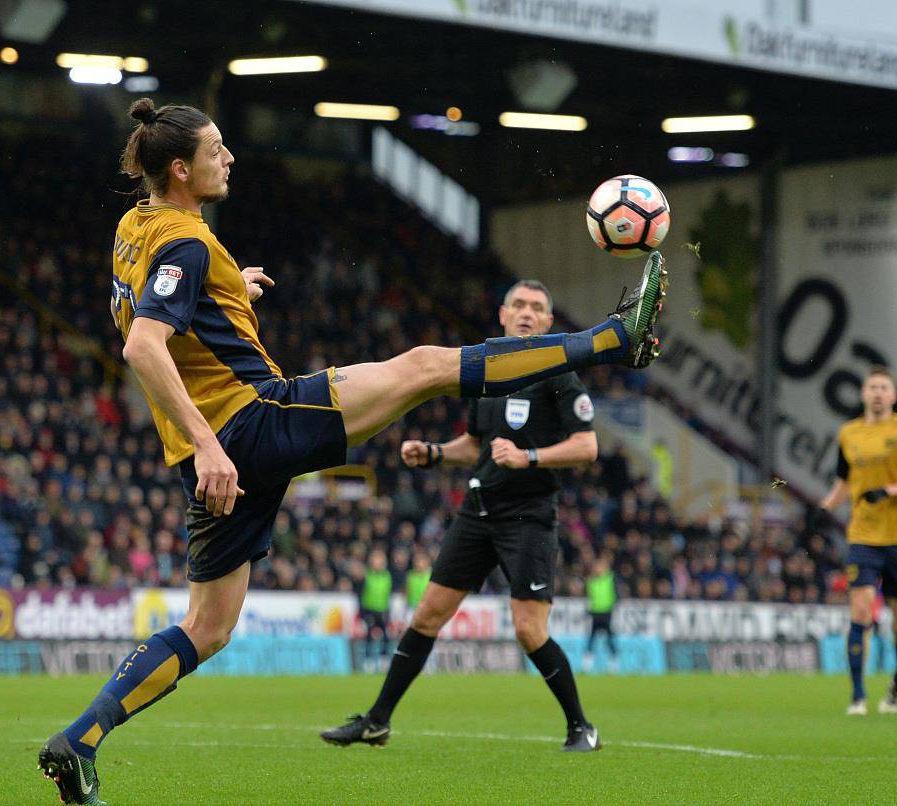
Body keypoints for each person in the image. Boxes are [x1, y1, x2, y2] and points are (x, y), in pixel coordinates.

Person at [38, 98, 669, 804]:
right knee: (427, 366)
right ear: (181, 169)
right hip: (249, 426)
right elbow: (143, 343)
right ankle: (614, 340)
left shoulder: (136, 226)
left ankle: (79, 741)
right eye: (218, 149)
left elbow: (153, 311)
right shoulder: (186, 243)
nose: (232, 157)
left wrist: (228, 297)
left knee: (208, 627)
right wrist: (213, 441)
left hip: (204, 456)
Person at [320, 279, 606, 752]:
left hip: (529, 514)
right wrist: (434, 453)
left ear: (550, 323)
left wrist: (528, 458)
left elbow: (587, 446)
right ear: (502, 314)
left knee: (528, 629)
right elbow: (475, 445)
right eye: (519, 304)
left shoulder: (559, 375)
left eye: (538, 307)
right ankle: (377, 721)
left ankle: (582, 728)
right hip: (479, 510)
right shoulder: (489, 376)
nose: (527, 313)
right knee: (428, 614)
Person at [818, 367, 897, 717]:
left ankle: (896, 684)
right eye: (872, 387)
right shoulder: (848, 433)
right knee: (861, 610)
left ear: (894, 396)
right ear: (863, 394)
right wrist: (821, 509)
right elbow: (844, 483)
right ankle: (857, 696)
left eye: (884, 387)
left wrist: (889, 491)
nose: (878, 392)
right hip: (863, 536)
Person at [359, 548, 393, 670]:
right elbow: (360, 594)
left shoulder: (387, 576)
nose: (379, 563)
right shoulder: (367, 575)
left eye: (381, 560)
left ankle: (383, 659)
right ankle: (368, 660)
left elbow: (388, 595)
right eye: (376, 560)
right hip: (369, 609)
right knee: (369, 635)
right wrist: (362, 612)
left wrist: (389, 610)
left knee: (386, 636)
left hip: (383, 609)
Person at [584, 554, 618, 671]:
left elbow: (616, 594)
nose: (598, 569)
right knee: (592, 638)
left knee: (609, 638)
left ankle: (613, 664)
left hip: (607, 613)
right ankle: (587, 665)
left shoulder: (610, 579)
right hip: (595, 613)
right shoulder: (591, 582)